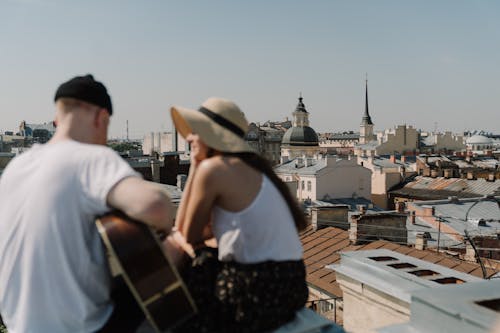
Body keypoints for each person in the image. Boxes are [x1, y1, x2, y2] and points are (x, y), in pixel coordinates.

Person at [0, 74, 174, 333]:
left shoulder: (16, 167)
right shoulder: (92, 157)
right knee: (174, 262)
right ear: (100, 118)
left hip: (19, 326)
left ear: (57, 120)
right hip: (82, 328)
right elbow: (156, 207)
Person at [169, 97, 309, 332]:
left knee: (191, 262)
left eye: (196, 131)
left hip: (256, 290)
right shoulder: (257, 170)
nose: (190, 137)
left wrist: (195, 165)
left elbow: (184, 232)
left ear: (208, 135)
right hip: (292, 286)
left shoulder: (214, 169)